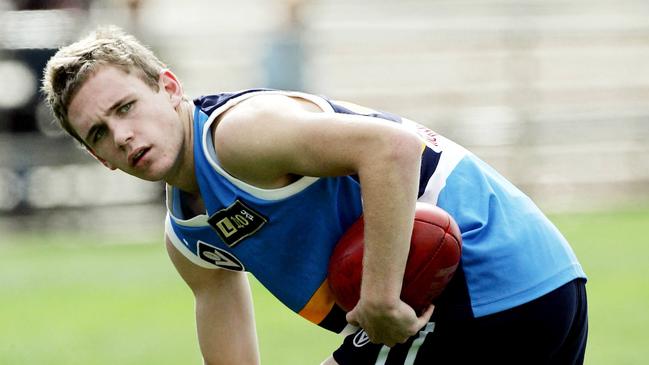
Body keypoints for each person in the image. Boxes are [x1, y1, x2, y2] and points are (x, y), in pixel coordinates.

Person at [42, 26, 588, 365]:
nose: (122, 136)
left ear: (168, 86)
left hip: (490, 280)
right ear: (99, 159)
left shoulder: (237, 136)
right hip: (534, 283)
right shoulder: (189, 240)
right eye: (99, 135)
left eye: (125, 108)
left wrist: (377, 298)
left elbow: (391, 149)